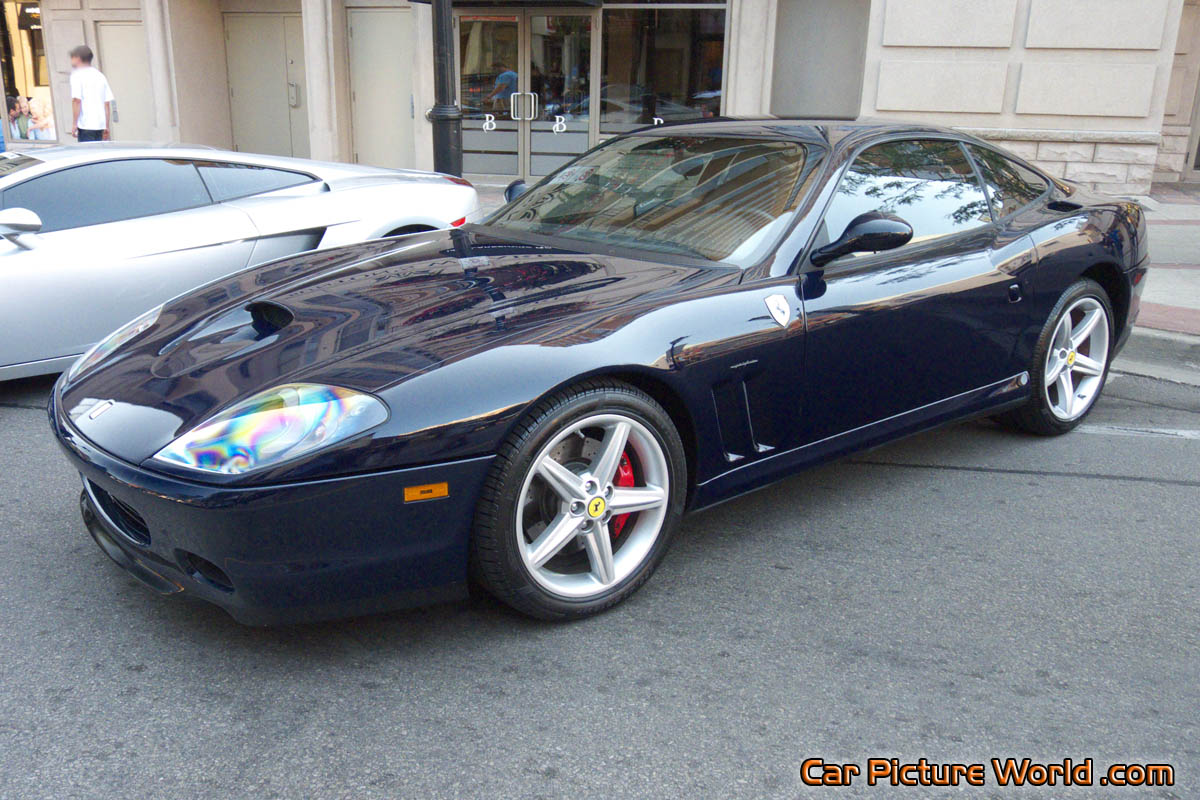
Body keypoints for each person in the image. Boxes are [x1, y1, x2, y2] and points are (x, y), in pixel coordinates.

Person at [67, 44, 114, 142]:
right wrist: (106, 126)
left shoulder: (77, 75)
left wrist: (75, 123)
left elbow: (76, 100)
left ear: (77, 58)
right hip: (100, 125)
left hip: (86, 125)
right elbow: (106, 103)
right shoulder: (100, 76)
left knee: (86, 151)